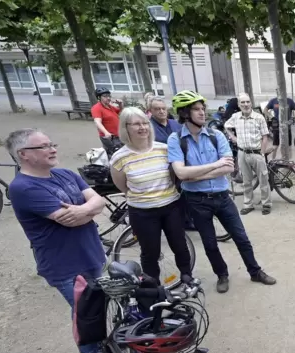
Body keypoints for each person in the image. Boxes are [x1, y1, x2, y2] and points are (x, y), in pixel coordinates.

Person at [6, 129, 108, 353]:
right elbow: (69, 221)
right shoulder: (22, 188)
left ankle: (105, 346)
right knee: (84, 313)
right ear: (24, 155)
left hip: (92, 253)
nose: (52, 149)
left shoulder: (66, 174)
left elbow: (99, 200)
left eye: (52, 143)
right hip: (64, 266)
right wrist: (90, 210)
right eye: (43, 146)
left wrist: (85, 209)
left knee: (102, 306)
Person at [167, 91, 276, 293]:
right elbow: (180, 173)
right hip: (197, 201)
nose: (202, 113)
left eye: (202, 109)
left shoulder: (216, 136)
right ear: (184, 113)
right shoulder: (176, 140)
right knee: (210, 244)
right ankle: (222, 275)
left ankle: (255, 271)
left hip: (222, 197)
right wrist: (213, 166)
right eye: (196, 110)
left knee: (241, 238)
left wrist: (194, 175)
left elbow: (227, 168)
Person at [109, 107, 194, 285]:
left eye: (145, 123)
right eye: (136, 124)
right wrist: (143, 196)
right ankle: (152, 288)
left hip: (171, 206)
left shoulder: (164, 149)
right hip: (142, 212)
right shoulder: (119, 157)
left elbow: (175, 174)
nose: (142, 127)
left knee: (180, 245)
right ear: (126, 128)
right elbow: (122, 185)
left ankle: (187, 276)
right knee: (150, 252)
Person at [225, 92, 275, 215]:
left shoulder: (259, 117)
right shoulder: (236, 117)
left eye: (248, 102)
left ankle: (266, 204)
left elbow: (265, 137)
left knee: (263, 180)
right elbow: (226, 126)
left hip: (257, 153)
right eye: (243, 102)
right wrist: (233, 138)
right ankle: (248, 204)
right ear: (239, 104)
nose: (246, 104)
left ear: (251, 103)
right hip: (242, 153)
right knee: (246, 181)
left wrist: (262, 153)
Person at [265, 95, 295, 159]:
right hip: (277, 127)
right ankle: (272, 161)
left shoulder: (289, 101)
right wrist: (272, 117)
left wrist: (293, 119)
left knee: (288, 147)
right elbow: (265, 110)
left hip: (287, 127)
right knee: (275, 146)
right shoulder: (273, 101)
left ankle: (289, 163)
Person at [91, 87, 123, 156]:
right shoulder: (97, 108)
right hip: (110, 137)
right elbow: (97, 122)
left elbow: (120, 111)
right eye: (105, 96)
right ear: (99, 98)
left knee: (121, 153)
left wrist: (120, 104)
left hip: (118, 135)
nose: (108, 98)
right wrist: (106, 132)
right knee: (115, 155)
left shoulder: (109, 106)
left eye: (109, 96)